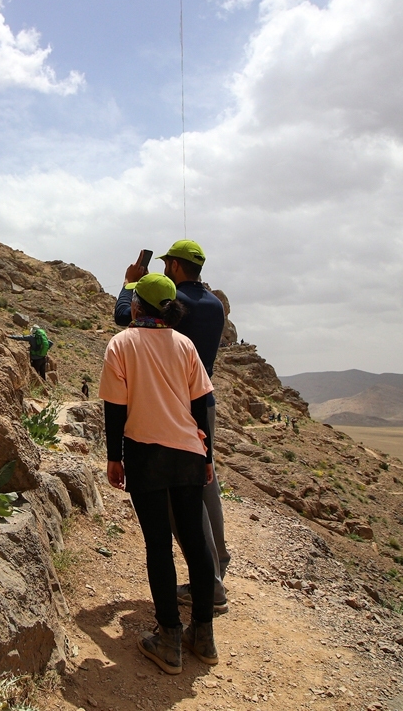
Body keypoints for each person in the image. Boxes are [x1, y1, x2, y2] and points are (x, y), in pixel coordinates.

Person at [102, 273, 218, 674]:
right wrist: (207, 457)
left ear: (136, 306)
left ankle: (169, 638)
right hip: (188, 451)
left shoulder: (122, 343)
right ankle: (203, 635)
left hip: (145, 453)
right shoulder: (185, 344)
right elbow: (200, 404)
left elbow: (115, 408)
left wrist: (113, 457)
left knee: (158, 545)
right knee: (195, 541)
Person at [115, 240, 230, 613]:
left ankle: (211, 587)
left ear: (176, 267)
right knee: (207, 487)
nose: (165, 268)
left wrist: (131, 284)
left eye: (167, 264)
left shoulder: (174, 302)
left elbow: (125, 317)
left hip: (173, 408)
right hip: (203, 402)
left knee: (182, 506)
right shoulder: (215, 305)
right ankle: (218, 565)